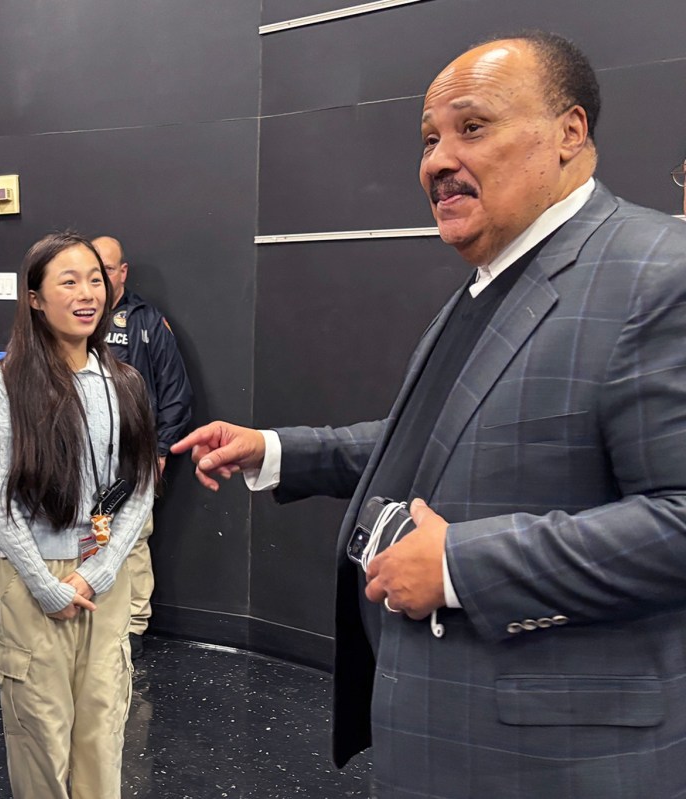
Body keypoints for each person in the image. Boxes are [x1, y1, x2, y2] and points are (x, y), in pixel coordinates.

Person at [174, 32, 686, 797]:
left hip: (556, 761)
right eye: (429, 139)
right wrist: (278, 450)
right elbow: (441, 441)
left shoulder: (658, 273)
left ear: (570, 134)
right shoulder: (492, 281)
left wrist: (460, 564)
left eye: (472, 128)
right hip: (447, 733)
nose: (437, 161)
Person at [0, 231, 157, 798]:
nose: (87, 293)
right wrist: (47, 586)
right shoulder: (0, 384)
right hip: (34, 587)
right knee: (39, 741)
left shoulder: (124, 382)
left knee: (103, 736)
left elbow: (141, 488)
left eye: (95, 279)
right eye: (69, 281)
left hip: (103, 577)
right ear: (34, 297)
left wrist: (98, 572)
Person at [93, 235, 192, 658]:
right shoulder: (76, 318)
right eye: (93, 270)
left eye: (107, 270)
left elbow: (175, 393)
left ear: (123, 272)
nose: (99, 279)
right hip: (82, 456)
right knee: (86, 533)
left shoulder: (148, 322)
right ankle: (93, 614)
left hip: (134, 457)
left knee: (132, 537)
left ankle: (133, 625)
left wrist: (162, 451)